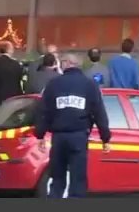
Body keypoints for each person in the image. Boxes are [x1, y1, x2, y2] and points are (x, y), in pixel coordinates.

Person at [34, 54, 112, 198]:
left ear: (67, 63)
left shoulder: (53, 84)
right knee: (78, 179)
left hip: (58, 138)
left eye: (62, 62)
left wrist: (40, 135)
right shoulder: (90, 85)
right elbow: (99, 112)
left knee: (57, 178)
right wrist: (105, 138)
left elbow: (44, 111)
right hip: (79, 136)